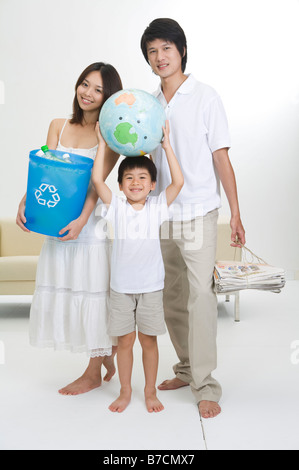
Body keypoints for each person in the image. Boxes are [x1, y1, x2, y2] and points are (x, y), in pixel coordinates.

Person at [140, 18, 246, 418]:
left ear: (181, 50)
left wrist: (235, 212)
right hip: (161, 212)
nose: (159, 57)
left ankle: (206, 384)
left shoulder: (206, 96)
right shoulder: (147, 104)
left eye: (166, 48)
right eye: (152, 51)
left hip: (200, 209)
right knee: (171, 297)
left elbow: (221, 155)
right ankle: (185, 367)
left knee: (201, 295)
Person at [16, 62, 123, 395]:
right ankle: (104, 355)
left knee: (90, 293)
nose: (88, 93)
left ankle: (92, 371)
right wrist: (25, 202)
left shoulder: (110, 137)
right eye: (85, 84)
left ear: (108, 97)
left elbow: (96, 184)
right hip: (56, 225)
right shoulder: (57, 127)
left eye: (98, 89)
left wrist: (82, 221)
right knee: (66, 288)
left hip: (88, 229)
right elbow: (44, 170)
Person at [92, 120, 184, 412]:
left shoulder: (157, 207)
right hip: (121, 288)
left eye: (142, 178)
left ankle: (149, 391)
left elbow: (179, 183)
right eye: (128, 178)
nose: (135, 183)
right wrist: (104, 145)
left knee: (148, 341)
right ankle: (125, 391)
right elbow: (97, 181)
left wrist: (167, 146)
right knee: (125, 341)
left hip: (151, 288)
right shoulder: (116, 206)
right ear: (120, 185)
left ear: (152, 184)